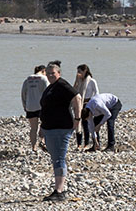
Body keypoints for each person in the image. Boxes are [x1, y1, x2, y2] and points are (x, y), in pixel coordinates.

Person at [39, 63, 83, 202]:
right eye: (49, 73)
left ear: (59, 73)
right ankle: (58, 188)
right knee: (55, 158)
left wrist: (77, 118)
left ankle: (59, 191)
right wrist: (42, 127)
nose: (51, 75)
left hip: (61, 127)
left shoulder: (63, 85)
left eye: (53, 73)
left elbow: (77, 98)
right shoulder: (50, 87)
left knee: (59, 158)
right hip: (49, 127)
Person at [21, 65, 50, 152]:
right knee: (45, 124)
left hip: (30, 106)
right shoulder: (44, 79)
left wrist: (24, 106)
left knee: (33, 128)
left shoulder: (27, 80)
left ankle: (33, 147)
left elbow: (23, 94)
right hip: (41, 106)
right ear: (44, 71)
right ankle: (43, 141)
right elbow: (48, 93)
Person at [73, 64, 100, 149]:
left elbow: (97, 93)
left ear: (84, 71)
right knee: (78, 123)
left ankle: (87, 143)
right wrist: (76, 81)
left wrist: (93, 104)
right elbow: (73, 91)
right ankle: (79, 144)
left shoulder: (91, 81)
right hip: (79, 103)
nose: (78, 73)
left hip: (88, 103)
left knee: (85, 123)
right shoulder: (79, 82)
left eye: (80, 72)